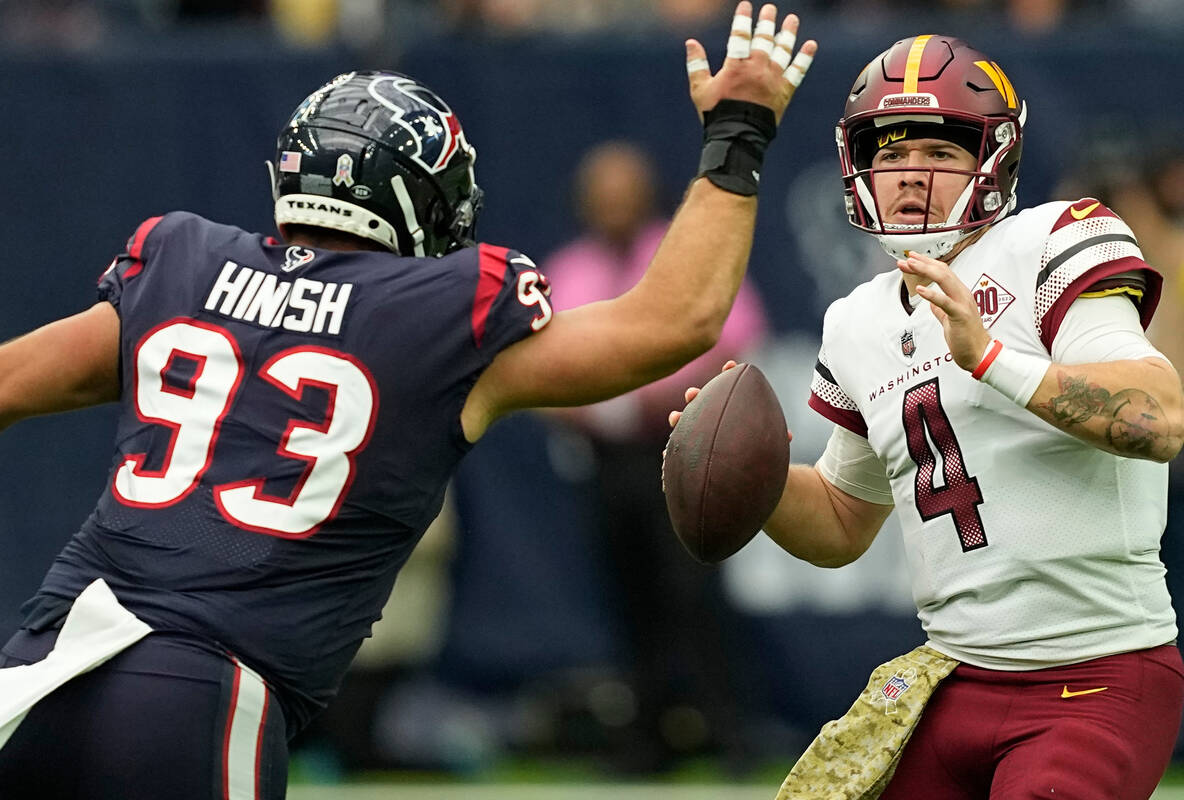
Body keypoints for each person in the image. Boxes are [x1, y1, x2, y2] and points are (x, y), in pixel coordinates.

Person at [0, 3, 818, 797]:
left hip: (39, 670)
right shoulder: (434, 316)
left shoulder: (182, 263)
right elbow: (674, 321)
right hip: (197, 691)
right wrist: (738, 132)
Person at [670, 34, 1184, 799]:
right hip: (956, 676)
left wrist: (988, 360)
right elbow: (844, 522)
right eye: (889, 150)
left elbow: (1159, 417)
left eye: (941, 153)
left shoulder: (1055, 240)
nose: (911, 175)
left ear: (996, 158)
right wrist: (756, 473)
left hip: (1095, 673)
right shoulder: (857, 320)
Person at [543, 139, 768, 770]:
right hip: (607, 460)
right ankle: (645, 740)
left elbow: (743, 341)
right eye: (603, 195)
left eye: (625, 192)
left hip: (685, 448)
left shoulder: (684, 259)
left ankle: (728, 733)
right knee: (629, 595)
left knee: (695, 594)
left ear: (647, 195)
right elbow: (535, 368)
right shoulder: (567, 269)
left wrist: (661, 395)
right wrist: (589, 405)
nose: (614, 206)